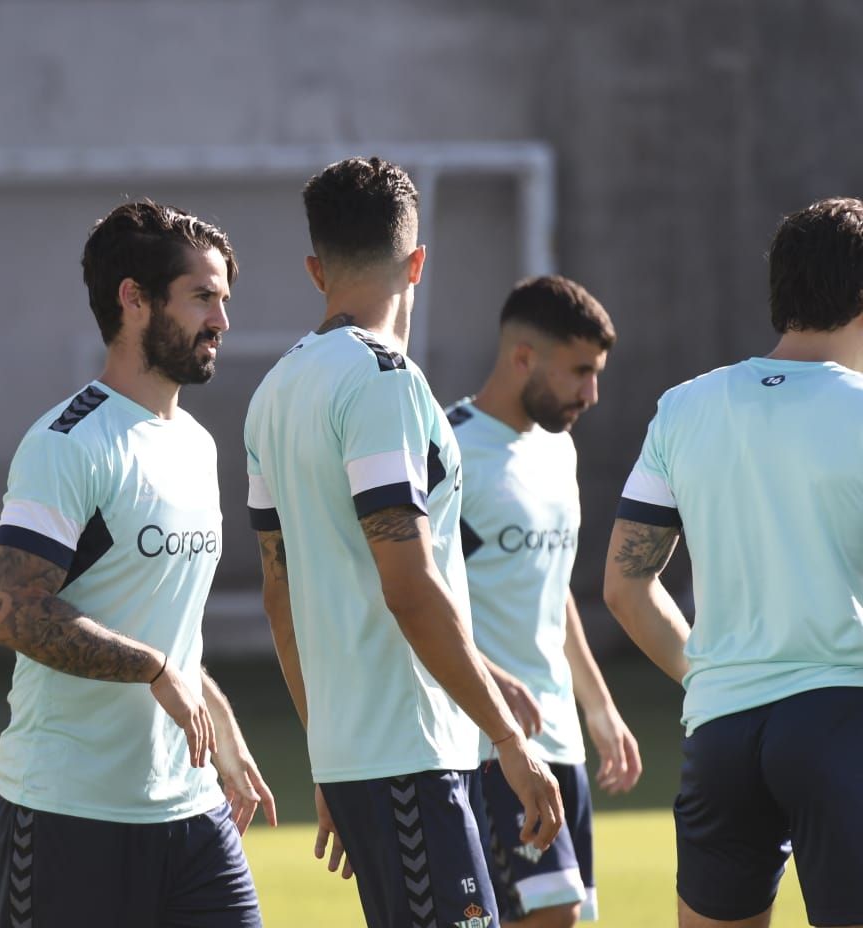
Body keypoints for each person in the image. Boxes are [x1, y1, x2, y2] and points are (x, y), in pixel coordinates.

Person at [243, 156, 563, 928]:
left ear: (317, 269)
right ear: (418, 261)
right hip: (412, 754)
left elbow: (279, 593)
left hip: (365, 756)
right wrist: (512, 746)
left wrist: (330, 752)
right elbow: (410, 583)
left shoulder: (273, 392)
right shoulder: (385, 381)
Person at [0, 200, 276, 928]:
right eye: (203, 297)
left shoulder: (199, 445)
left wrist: (218, 721)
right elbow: (13, 610)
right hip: (66, 816)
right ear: (134, 300)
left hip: (191, 809)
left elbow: (160, 623)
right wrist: (152, 668)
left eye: (224, 300)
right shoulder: (67, 443)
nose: (222, 321)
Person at [604, 197, 863, 928]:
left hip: (721, 732)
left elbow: (625, 586)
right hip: (844, 721)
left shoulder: (685, 407)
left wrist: (717, 676)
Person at [447, 276, 641, 927]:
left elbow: (551, 591)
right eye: (580, 372)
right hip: (487, 744)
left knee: (568, 917)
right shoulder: (448, 449)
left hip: (561, 742)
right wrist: (495, 686)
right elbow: (413, 598)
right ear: (522, 357)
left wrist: (600, 707)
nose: (592, 393)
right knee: (549, 915)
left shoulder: (558, 447)